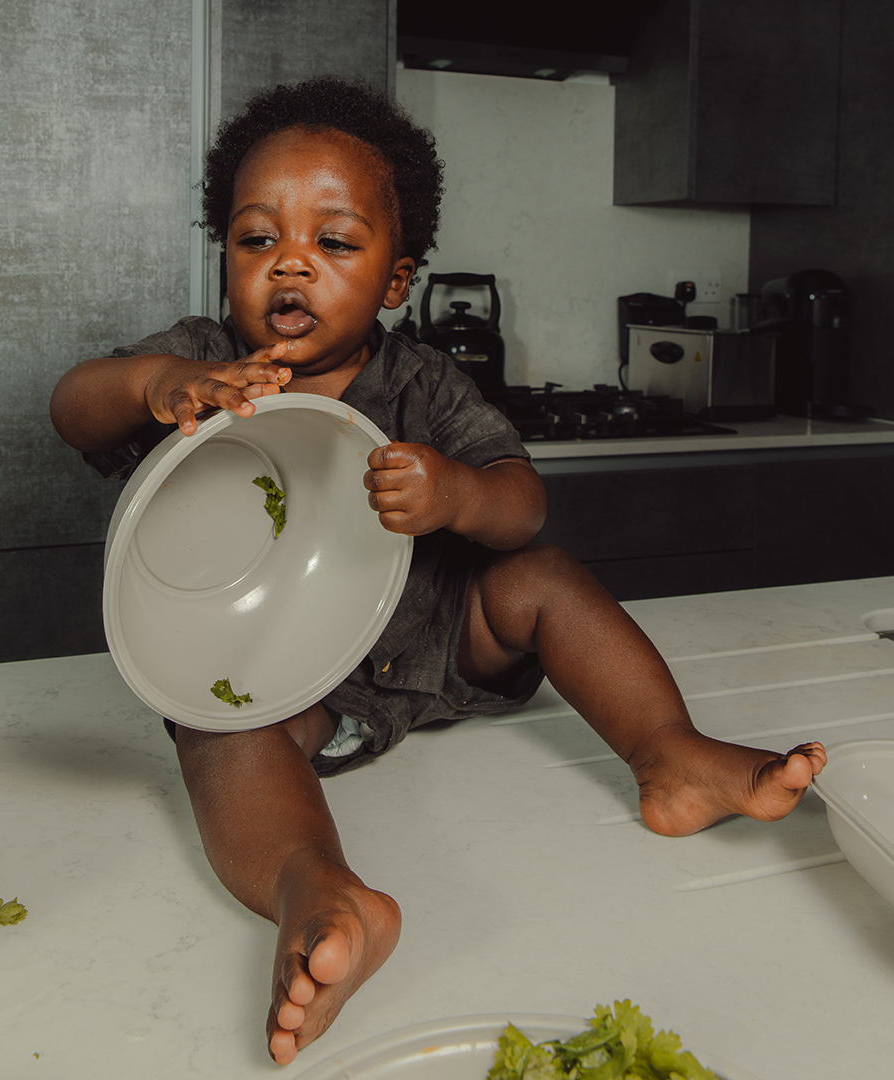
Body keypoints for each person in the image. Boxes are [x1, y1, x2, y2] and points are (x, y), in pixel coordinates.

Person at [49, 76, 826, 1067]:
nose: (291, 261)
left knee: (542, 574)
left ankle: (668, 753)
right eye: (256, 239)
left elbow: (521, 499)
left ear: (395, 280)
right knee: (212, 720)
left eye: (335, 243)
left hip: (441, 638)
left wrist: (458, 493)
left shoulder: (423, 380)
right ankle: (318, 889)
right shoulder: (203, 362)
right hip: (292, 683)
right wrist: (157, 386)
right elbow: (74, 408)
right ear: (226, 257)